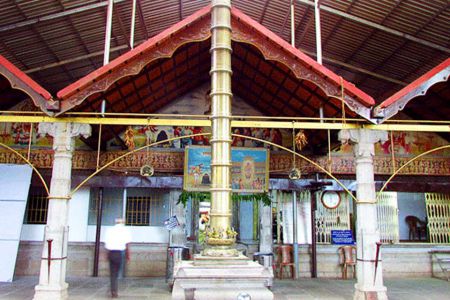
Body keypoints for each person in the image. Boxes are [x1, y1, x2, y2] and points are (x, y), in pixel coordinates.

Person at [104, 218, 132, 298]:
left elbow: (106, 244)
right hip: (120, 253)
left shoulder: (109, 230)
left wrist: (106, 255)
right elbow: (127, 245)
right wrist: (128, 256)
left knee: (113, 273)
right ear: (123, 222)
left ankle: (113, 289)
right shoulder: (125, 230)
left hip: (111, 253)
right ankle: (114, 288)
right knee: (116, 272)